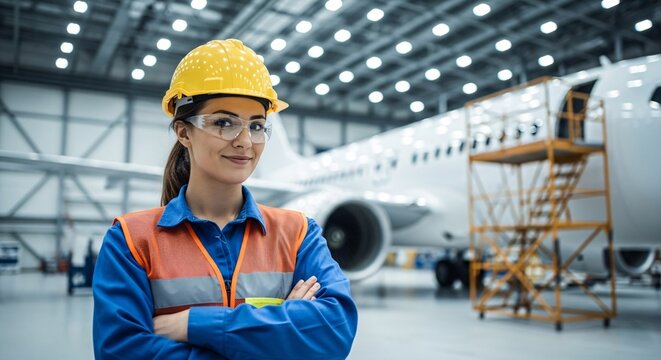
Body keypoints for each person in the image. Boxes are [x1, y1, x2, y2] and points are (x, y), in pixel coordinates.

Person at [92, 39, 358, 359]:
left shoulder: (299, 233)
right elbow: (121, 352)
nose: (245, 141)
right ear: (183, 132)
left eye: (257, 126)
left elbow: (335, 330)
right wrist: (279, 334)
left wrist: (196, 325)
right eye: (223, 122)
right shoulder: (132, 240)